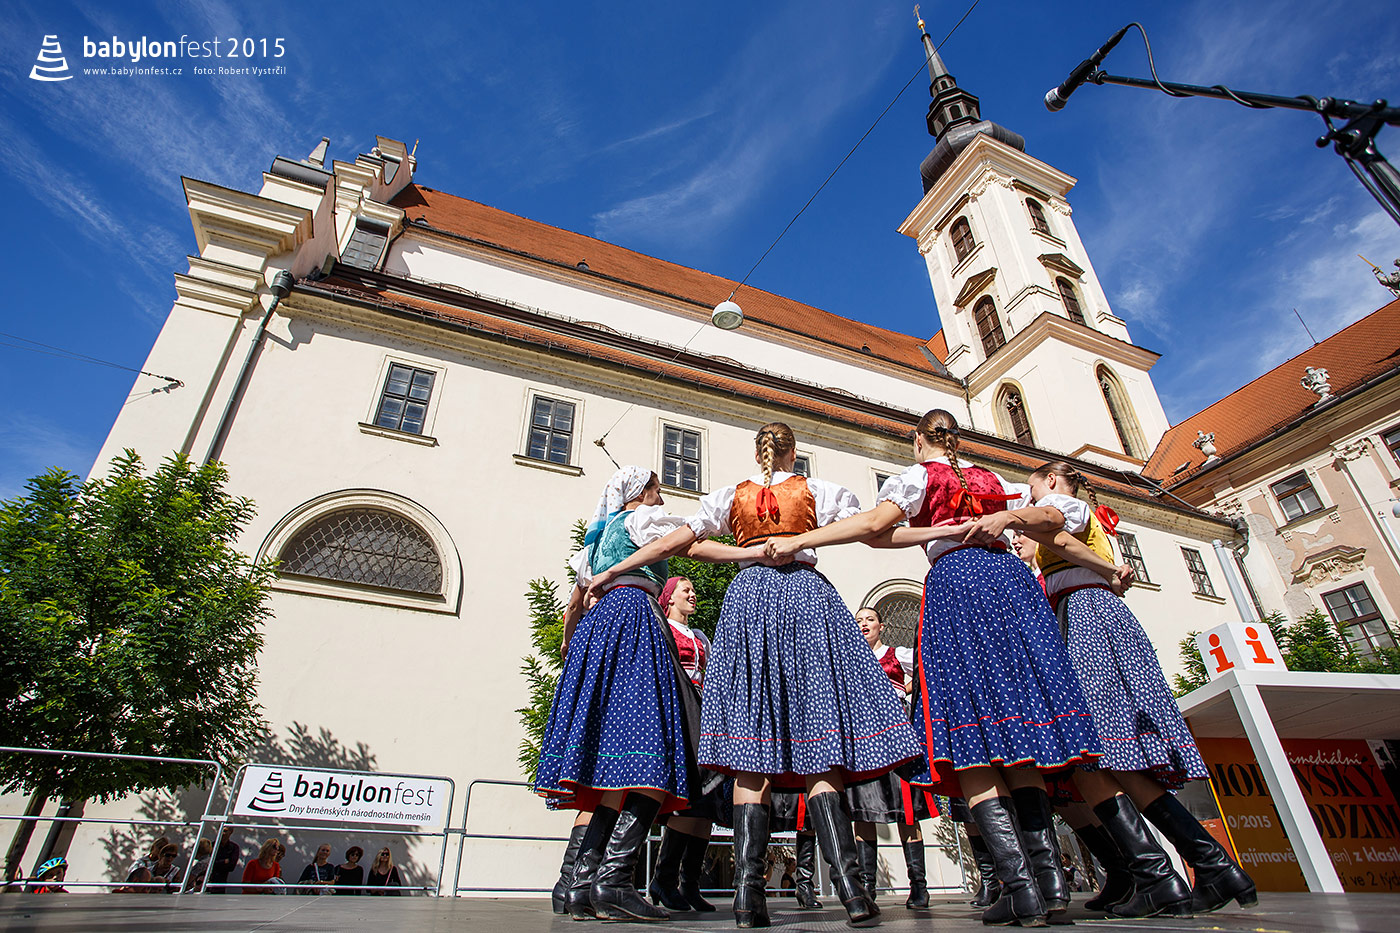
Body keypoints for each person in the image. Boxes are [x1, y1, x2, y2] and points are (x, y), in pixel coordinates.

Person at [766, 410, 1104, 927]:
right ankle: (1049, 885)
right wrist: (1008, 521)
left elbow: (875, 528)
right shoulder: (996, 480)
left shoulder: (919, 476)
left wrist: (802, 540)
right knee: (1017, 730)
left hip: (959, 584)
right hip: (1012, 586)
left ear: (918, 440)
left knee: (971, 734)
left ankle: (1021, 889)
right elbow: (1060, 518)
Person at [591, 423, 926, 928]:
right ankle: (853, 892)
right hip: (806, 596)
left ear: (757, 453)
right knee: (820, 738)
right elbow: (872, 529)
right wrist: (806, 541)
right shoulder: (817, 490)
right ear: (795, 453)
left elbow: (682, 545)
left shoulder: (730, 496)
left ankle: (748, 898)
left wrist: (616, 570)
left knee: (751, 747)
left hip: (748, 599)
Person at [1027, 461, 1256, 917]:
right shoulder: (1079, 513)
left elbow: (1058, 536)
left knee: (1094, 751)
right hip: (1093, 613)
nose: (1030, 497)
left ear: (1051, 480)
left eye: (1033, 487)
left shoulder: (1061, 505)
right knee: (1107, 753)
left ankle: (1171, 874)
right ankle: (1209, 866)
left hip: (1086, 617)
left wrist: (1109, 567)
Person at [537, 466, 763, 922]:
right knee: (654, 749)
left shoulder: (596, 542)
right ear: (643, 492)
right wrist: (746, 549)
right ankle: (614, 881)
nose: (661, 498)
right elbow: (689, 543)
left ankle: (581, 885)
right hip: (636, 619)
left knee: (614, 760)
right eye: (657, 490)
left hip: (599, 631)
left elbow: (574, 605)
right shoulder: (643, 519)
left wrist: (572, 648)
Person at [847, 605, 934, 910]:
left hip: (897, 734)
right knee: (864, 809)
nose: (863, 624)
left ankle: (918, 886)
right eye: (858, 620)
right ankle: (867, 886)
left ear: (881, 626)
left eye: (869, 619)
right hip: (864, 735)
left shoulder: (897, 655)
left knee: (906, 808)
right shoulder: (851, 660)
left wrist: (904, 690)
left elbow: (925, 666)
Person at [647, 575, 725, 914]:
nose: (693, 594)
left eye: (693, 590)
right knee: (689, 795)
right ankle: (663, 880)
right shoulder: (661, 628)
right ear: (669, 598)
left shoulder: (701, 637)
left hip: (702, 712)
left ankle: (689, 883)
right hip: (678, 710)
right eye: (686, 590)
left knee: (707, 801)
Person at [209, 826, 240, 894]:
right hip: (208, 882)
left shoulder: (233, 847)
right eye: (220, 830)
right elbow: (209, 865)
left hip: (221, 884)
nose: (222, 833)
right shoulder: (212, 846)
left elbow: (231, 867)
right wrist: (223, 861)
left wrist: (216, 863)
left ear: (230, 832)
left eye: (225, 831)